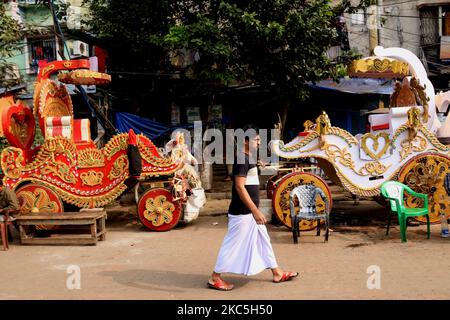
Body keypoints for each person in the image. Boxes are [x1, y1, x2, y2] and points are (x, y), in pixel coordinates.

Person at [207, 124, 298, 291]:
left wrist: (257, 164)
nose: (259, 142)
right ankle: (215, 278)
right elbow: (239, 187)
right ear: (245, 141)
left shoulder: (248, 157)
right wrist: (255, 211)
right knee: (232, 245)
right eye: (256, 139)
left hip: (250, 212)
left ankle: (277, 272)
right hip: (243, 212)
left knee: (264, 241)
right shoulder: (242, 159)